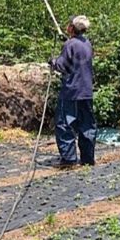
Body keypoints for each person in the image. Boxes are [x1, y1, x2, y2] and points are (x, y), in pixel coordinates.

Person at [48, 15, 96, 167]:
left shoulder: (70, 44)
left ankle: (69, 159)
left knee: (65, 124)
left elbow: (62, 66)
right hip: (86, 91)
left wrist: (53, 62)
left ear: (72, 28)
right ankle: (88, 159)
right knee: (86, 125)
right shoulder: (87, 43)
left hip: (72, 91)